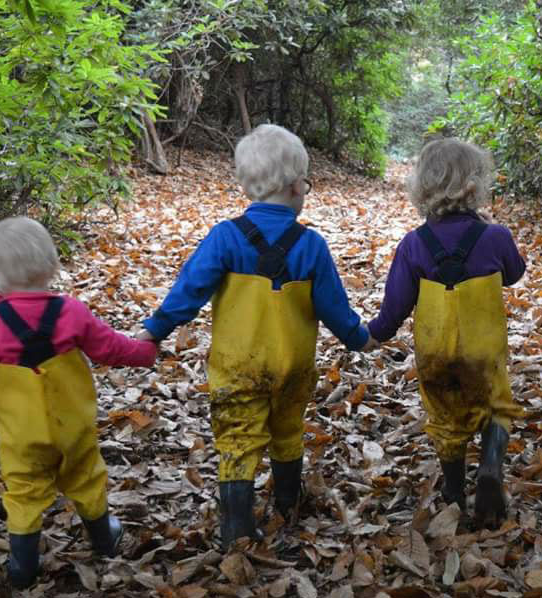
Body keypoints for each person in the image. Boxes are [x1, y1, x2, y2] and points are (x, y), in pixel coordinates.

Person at [138, 124, 377, 548]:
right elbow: (334, 308)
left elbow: (188, 291)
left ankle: (236, 529)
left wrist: (154, 330)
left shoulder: (225, 238)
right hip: (293, 366)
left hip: (236, 368)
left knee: (238, 441)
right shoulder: (311, 246)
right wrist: (361, 337)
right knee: (286, 431)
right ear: (291, 187)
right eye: (305, 179)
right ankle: (288, 504)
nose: (306, 187)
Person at [0, 217, 158, 589]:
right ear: (51, 266)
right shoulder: (72, 312)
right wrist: (145, 352)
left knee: (23, 493)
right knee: (86, 478)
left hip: (23, 438)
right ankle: (104, 539)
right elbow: (111, 348)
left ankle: (23, 566)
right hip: (73, 429)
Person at [368, 139, 526, 528]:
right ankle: (490, 467)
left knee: (445, 418)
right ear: (475, 185)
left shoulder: (413, 244)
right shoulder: (496, 237)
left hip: (434, 351)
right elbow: (515, 274)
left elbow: (395, 307)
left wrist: (371, 335)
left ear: (422, 188)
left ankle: (454, 491)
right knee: (497, 406)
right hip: (483, 349)